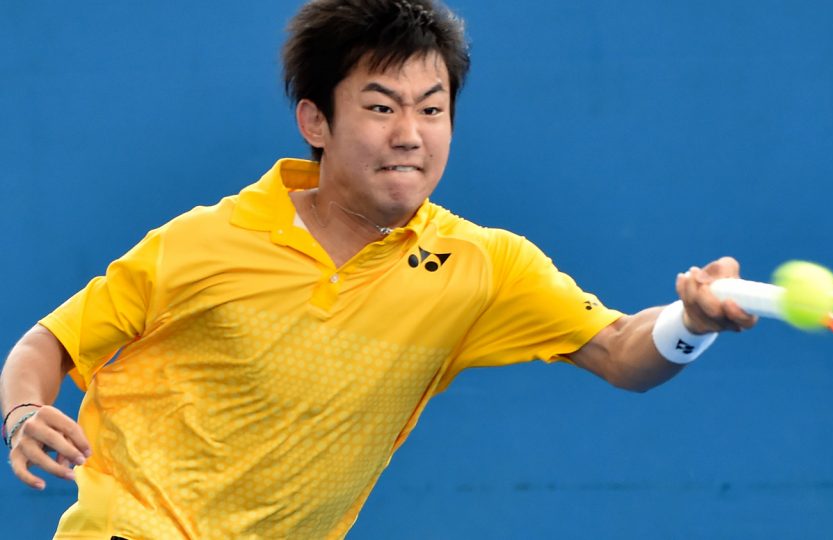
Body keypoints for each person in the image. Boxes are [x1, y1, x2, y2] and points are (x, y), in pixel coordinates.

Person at [0, 0, 756, 538]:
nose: (410, 135)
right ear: (316, 122)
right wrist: (25, 413)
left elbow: (623, 351)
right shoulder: (204, 242)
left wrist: (691, 322)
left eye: (432, 110)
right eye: (381, 106)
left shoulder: (482, 266)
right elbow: (48, 343)